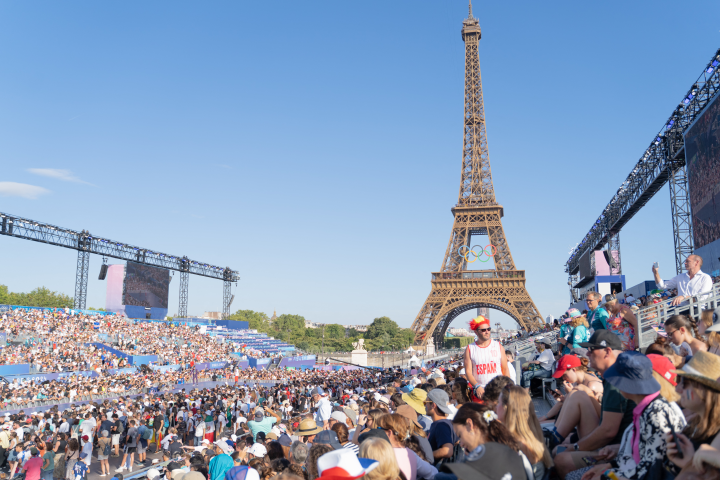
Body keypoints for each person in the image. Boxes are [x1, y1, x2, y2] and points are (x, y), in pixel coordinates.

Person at [579, 351, 686, 480]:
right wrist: (608, 467)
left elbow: (652, 470)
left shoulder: (656, 413)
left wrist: (606, 476)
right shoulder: (647, 408)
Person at [551, 330, 636, 480]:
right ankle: (552, 439)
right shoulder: (616, 373)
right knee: (580, 391)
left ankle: (551, 440)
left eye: (591, 350)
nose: (587, 354)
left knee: (561, 458)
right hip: (619, 444)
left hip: (616, 451)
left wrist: (575, 447)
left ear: (607, 351)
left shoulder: (616, 377)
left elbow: (608, 431)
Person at [664, 351, 720, 476]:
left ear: (705, 390)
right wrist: (688, 462)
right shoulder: (693, 425)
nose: (678, 389)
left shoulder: (716, 434)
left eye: (684, 383)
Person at [449, 402, 533, 479]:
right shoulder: (511, 452)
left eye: (460, 435)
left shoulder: (488, 462)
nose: (461, 443)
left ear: (470, 425)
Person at [496, 385, 552, 480]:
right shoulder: (529, 437)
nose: (496, 406)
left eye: (498, 402)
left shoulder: (518, 445)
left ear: (507, 408)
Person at [376, 414, 438, 480]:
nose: (376, 432)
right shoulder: (410, 454)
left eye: (379, 429)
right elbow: (434, 472)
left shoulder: (383, 455)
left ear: (389, 433)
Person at [463, 316, 509, 401]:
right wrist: (477, 386)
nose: (487, 332)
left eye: (488, 329)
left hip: (498, 391)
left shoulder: (498, 346)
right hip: (480, 392)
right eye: (483, 330)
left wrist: (507, 387)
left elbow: (505, 369)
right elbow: (468, 372)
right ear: (476, 332)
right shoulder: (470, 349)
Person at [425, 389, 457, 465]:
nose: (425, 406)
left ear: (433, 405)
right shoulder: (446, 423)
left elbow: (447, 451)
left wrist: (425, 456)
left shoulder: (441, 425)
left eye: (425, 403)